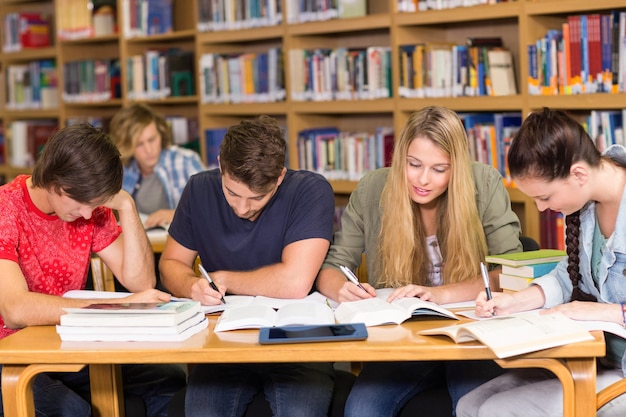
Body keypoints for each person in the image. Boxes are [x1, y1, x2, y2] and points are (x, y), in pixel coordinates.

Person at [316, 106, 523, 416]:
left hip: (471, 336)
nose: (423, 180)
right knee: (360, 410)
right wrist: (340, 288)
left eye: (439, 169)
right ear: (401, 159)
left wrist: (441, 294)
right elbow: (332, 267)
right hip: (403, 341)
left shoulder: (485, 183)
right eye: (414, 165)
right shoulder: (373, 188)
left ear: (457, 167)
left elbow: (512, 272)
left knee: (475, 407)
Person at [0, 123, 187, 417]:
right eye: (82, 204)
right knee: (71, 410)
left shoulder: (88, 205)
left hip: (64, 344)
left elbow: (140, 283)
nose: (88, 215)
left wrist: (126, 205)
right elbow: (15, 310)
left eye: (96, 204)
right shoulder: (5, 208)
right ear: (54, 182)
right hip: (9, 354)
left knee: (170, 379)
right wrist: (110, 307)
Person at [159, 115, 336, 417]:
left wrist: (220, 278)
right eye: (232, 193)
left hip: (297, 344)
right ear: (220, 165)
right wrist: (191, 285)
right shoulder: (199, 190)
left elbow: (294, 283)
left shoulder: (310, 191)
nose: (242, 208)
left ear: (279, 177)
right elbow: (171, 263)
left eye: (257, 197)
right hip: (223, 344)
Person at [456, 108, 626, 417]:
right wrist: (514, 302)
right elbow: (567, 276)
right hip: (592, 357)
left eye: (545, 197)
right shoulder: (587, 203)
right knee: (468, 406)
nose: (541, 208)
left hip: (619, 371)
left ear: (578, 174)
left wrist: (607, 312)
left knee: (495, 411)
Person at [109, 103, 205, 229]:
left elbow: (211, 209)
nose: (149, 150)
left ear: (161, 134)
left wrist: (174, 215)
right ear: (128, 147)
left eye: (152, 139)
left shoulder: (185, 161)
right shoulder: (122, 170)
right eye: (139, 144)